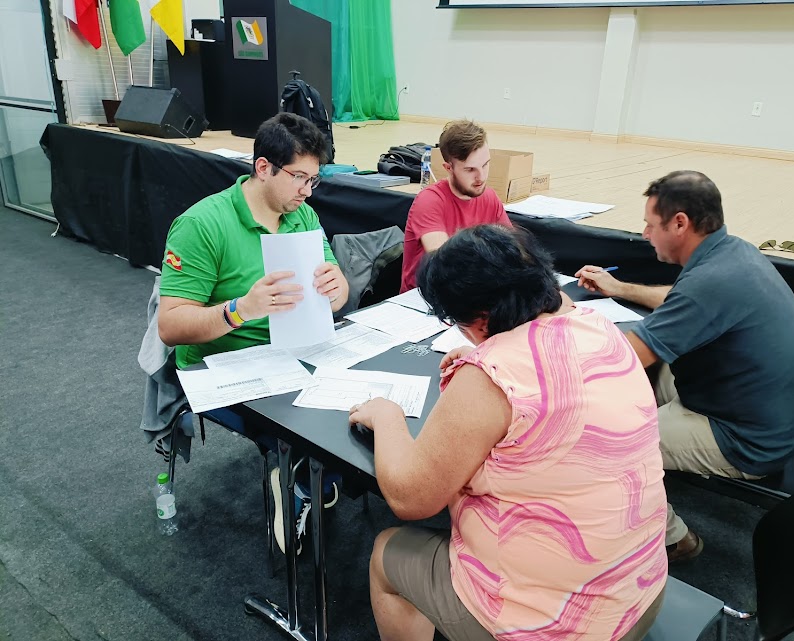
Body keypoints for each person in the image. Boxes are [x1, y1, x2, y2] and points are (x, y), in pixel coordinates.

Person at [351, 225, 667, 641]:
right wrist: (488, 354)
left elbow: (411, 497)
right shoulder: (601, 328)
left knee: (385, 552)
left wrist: (387, 415)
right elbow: (543, 368)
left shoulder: (489, 378)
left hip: (554, 627)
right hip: (639, 591)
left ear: (479, 320)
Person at [575, 170, 794, 563]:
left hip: (744, 438)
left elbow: (627, 356)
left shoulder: (713, 281)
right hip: (746, 404)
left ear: (680, 223)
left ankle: (673, 538)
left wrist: (548, 336)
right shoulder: (734, 253)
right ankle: (644, 477)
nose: (645, 234)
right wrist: (619, 288)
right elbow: (679, 299)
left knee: (600, 444)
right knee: (639, 388)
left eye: (651, 225)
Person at [158, 112, 349, 550]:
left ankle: (306, 477)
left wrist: (338, 290)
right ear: (263, 168)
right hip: (224, 364)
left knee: (360, 409)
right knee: (312, 428)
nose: (306, 190)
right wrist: (240, 310)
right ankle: (301, 479)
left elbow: (334, 290)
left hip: (294, 350)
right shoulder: (203, 225)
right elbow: (170, 326)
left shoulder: (301, 215)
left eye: (313, 180)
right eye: (299, 177)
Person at [400, 120, 513, 293]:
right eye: (470, 170)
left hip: (473, 293)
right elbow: (445, 264)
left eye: (485, 165)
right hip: (426, 300)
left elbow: (513, 250)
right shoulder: (429, 200)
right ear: (448, 168)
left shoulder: (489, 197)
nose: (481, 177)